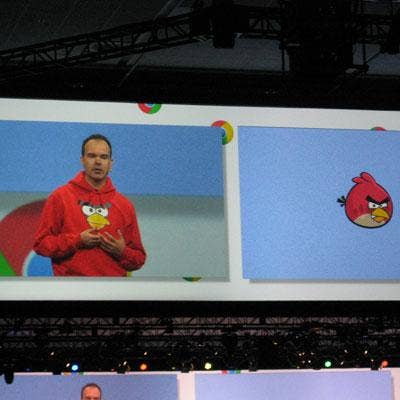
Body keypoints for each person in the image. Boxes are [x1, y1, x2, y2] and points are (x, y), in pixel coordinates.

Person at [33, 133, 146, 276]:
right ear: (82, 160)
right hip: (70, 287)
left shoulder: (125, 205)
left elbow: (139, 259)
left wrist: (121, 251)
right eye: (92, 156)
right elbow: (41, 244)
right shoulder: (60, 197)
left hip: (113, 288)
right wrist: (77, 241)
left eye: (103, 157)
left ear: (111, 163)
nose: (98, 162)